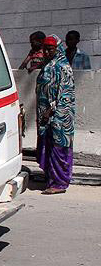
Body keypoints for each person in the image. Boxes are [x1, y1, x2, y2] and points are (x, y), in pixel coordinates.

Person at [35, 35, 76, 195]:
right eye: (44, 49)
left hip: (59, 117)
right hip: (46, 117)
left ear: (57, 49)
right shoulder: (48, 65)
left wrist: (50, 110)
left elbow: (65, 94)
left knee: (58, 148)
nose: (46, 52)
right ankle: (51, 177)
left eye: (49, 49)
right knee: (48, 145)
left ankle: (59, 182)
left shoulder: (62, 67)